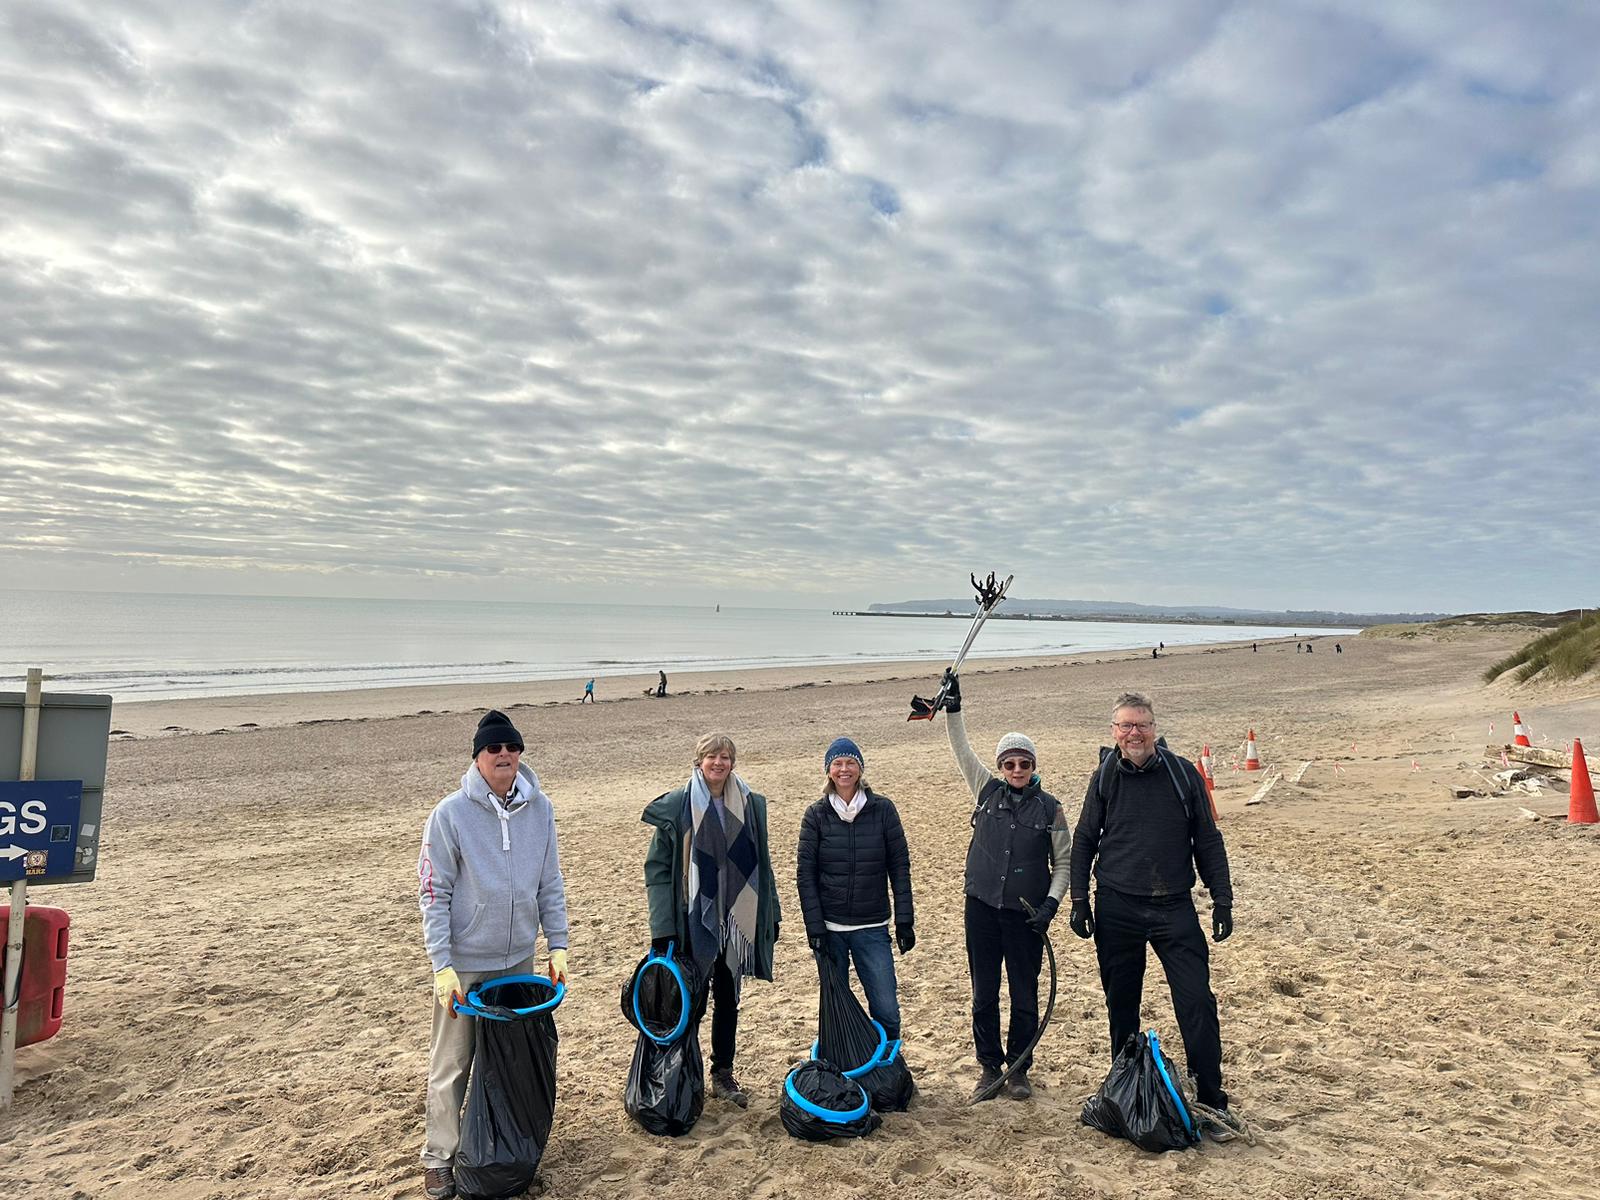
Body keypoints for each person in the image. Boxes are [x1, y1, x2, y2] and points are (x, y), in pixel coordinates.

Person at [418, 710, 569, 1200]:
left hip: (518, 959)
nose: (503, 755)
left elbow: (550, 882)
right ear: (478, 758)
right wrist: (442, 965)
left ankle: (507, 1150)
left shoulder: (540, 809)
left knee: (509, 1063)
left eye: (511, 747)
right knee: (454, 1062)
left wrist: (559, 945)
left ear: (520, 753)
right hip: (465, 961)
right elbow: (433, 892)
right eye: (493, 749)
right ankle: (439, 1158)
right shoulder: (450, 814)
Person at [1068, 691, 1238, 1124]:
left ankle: (1211, 1094)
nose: (1134, 733)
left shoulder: (1183, 774)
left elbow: (1207, 838)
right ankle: (1124, 1088)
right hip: (1116, 906)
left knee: (1197, 1001)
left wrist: (1222, 899)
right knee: (1121, 1004)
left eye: (1141, 724)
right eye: (1125, 726)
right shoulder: (1104, 777)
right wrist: (1079, 900)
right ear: (1114, 732)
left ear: (1154, 729)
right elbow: (1085, 838)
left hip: (1174, 907)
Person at [940, 671, 1070, 1101]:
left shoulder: (1051, 809)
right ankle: (988, 1067)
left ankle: (1018, 1070)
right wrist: (954, 709)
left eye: (1024, 763)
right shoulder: (986, 791)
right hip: (980, 908)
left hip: (1026, 916)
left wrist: (1050, 906)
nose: (1016, 769)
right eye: (1010, 763)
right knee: (983, 993)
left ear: (1034, 767)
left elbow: (1064, 863)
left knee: (1024, 994)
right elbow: (961, 749)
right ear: (1000, 767)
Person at [642, 732, 780, 1108]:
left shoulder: (748, 803)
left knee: (728, 999)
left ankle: (722, 1073)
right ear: (698, 761)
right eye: (711, 756)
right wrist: (663, 928)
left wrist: (772, 915)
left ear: (733, 763)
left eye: (725, 757)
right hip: (693, 919)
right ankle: (685, 1070)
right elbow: (656, 871)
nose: (718, 763)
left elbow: (762, 866)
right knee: (691, 999)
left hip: (735, 918)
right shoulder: (678, 805)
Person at [796, 737, 915, 1042]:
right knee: (836, 1008)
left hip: (872, 927)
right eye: (838, 763)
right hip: (830, 929)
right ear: (829, 770)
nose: (844, 769)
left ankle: (889, 1069)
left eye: (851, 763)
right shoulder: (816, 815)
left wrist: (905, 920)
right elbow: (805, 875)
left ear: (860, 769)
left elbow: (899, 867)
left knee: (886, 1008)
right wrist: (815, 928)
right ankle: (843, 1068)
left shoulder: (883, 810)